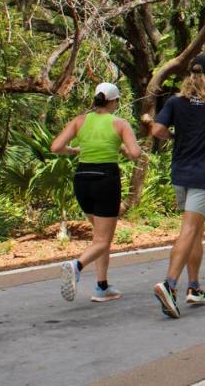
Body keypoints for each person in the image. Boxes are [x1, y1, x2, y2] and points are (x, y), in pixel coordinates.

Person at [148, 54, 205, 319]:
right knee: (189, 230)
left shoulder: (176, 102)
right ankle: (170, 284)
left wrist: (176, 135)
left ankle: (194, 286)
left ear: (191, 75)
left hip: (180, 173)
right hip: (203, 175)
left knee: (196, 231)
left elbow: (157, 130)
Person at [50, 82, 142, 303]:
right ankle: (76, 266)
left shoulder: (80, 120)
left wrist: (73, 150)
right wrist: (121, 148)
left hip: (82, 179)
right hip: (105, 179)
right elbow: (135, 153)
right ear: (113, 101)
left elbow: (56, 147)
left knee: (100, 237)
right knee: (103, 239)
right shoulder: (119, 124)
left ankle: (102, 287)